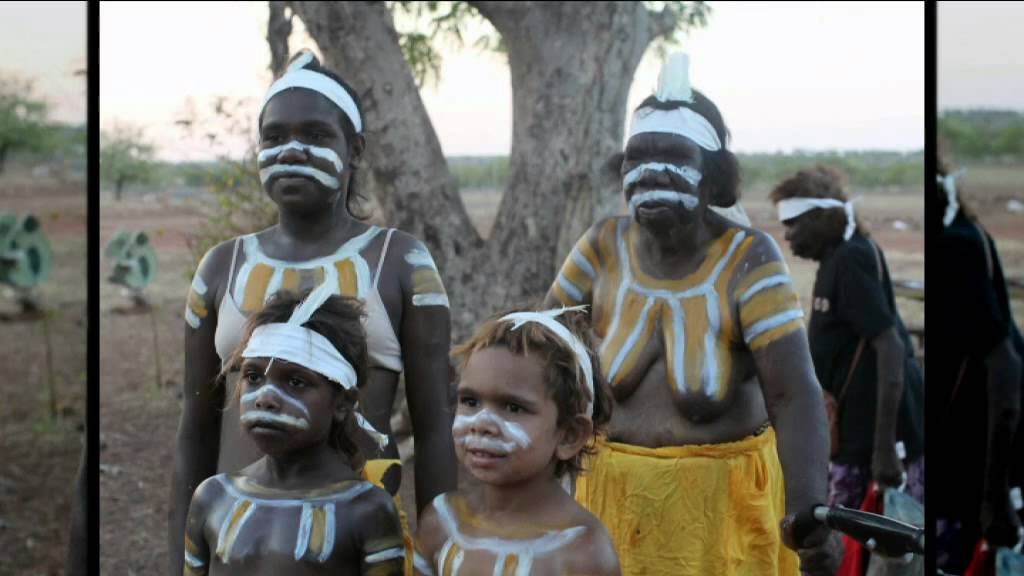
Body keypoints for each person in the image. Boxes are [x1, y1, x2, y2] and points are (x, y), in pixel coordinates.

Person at [544, 52, 841, 575]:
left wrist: (809, 506)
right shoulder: (599, 248)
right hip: (608, 506)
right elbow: (542, 361)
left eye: (672, 155)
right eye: (638, 158)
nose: (651, 171)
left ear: (714, 181)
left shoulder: (750, 259)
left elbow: (794, 393)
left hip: (721, 518)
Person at [170, 50, 457, 576]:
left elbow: (436, 429)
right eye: (274, 137)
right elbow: (195, 428)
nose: (292, 151)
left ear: (355, 150)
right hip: (237, 537)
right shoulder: (221, 267)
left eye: (317, 136)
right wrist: (182, 557)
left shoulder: (400, 262)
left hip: (360, 540)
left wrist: (442, 554)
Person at [184, 287, 405, 575]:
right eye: (253, 376)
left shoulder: (365, 510)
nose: (265, 397)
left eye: (296, 382)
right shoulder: (212, 497)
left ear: (342, 404)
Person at [413, 307, 620, 575]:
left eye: (513, 407)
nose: (482, 423)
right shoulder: (441, 523)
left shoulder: (583, 553)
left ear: (569, 435)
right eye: (470, 401)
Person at [769, 166, 925, 510]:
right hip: (853, 430)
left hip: (868, 439)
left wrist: (883, 447)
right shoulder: (836, 258)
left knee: (862, 542)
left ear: (821, 218)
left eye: (793, 224)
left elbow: (889, 346)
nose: (788, 235)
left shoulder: (851, 259)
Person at [933, 153, 1023, 572]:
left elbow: (1003, 363)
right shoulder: (960, 236)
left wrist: (995, 493)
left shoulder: (956, 246)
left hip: (972, 466)